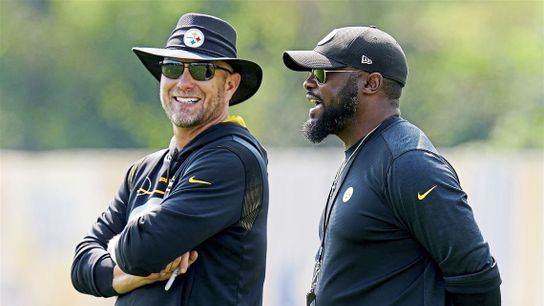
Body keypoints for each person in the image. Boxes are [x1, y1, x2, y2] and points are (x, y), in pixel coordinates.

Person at [283, 26, 501, 305]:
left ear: (371, 84)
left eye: (323, 74)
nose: (309, 83)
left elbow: (477, 276)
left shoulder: (409, 162)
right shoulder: (365, 152)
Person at [71, 13, 269, 306]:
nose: (184, 83)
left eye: (203, 71)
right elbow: (80, 264)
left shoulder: (233, 159)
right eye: (173, 68)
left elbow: (142, 251)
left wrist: (122, 251)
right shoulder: (144, 169)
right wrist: (126, 275)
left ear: (231, 85)